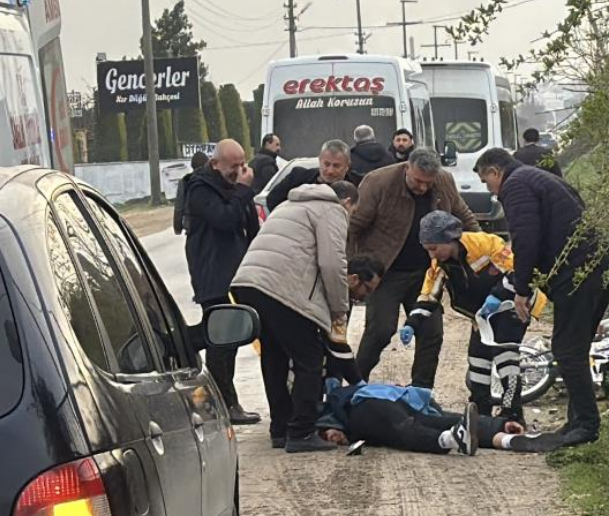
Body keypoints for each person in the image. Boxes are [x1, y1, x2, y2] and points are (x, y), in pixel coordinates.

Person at [474, 148, 609, 448]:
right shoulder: (538, 178)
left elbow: (527, 239)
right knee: (574, 348)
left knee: (566, 349)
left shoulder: (515, 185)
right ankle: (578, 422)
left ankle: (587, 426)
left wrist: (521, 289)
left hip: (580, 274)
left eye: (488, 184)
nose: (492, 192)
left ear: (495, 172)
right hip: (597, 267)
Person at [231, 180, 383, 453]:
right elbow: (332, 262)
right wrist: (339, 309)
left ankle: (280, 429)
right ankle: (301, 432)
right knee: (309, 359)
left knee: (275, 356)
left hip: (247, 282)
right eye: (353, 212)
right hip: (280, 287)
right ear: (347, 203)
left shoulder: (289, 204)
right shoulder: (332, 210)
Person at [399, 211, 547, 423]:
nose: (432, 255)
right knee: (478, 358)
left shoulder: (486, 243)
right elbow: (428, 296)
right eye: (427, 250)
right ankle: (480, 410)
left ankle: (512, 412)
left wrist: (497, 295)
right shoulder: (439, 265)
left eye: (434, 248)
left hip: (514, 304)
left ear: (450, 239)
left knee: (505, 356)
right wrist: (412, 323)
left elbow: (519, 270)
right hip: (482, 315)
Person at [349, 149, 480, 388]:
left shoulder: (444, 181)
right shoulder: (378, 182)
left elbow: (463, 215)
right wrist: (352, 266)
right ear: (406, 167)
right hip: (385, 272)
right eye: (417, 181)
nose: (422, 188)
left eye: (427, 183)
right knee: (380, 330)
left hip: (427, 272)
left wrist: (481, 249)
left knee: (431, 333)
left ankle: (421, 391)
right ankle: (355, 382)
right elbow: (353, 226)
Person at [184, 139, 261, 425]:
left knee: (227, 338)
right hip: (213, 275)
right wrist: (242, 190)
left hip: (235, 274)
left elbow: (248, 227)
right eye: (233, 166)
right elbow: (225, 219)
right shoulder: (200, 188)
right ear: (216, 164)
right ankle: (224, 404)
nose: (239, 171)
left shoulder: (234, 189)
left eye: (242, 165)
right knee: (222, 341)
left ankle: (183, 344)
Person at [315, 379, 566, 454]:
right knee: (427, 423)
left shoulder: (341, 391)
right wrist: (498, 423)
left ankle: (453, 440)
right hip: (387, 406)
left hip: (369, 405)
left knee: (408, 428)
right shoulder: (330, 392)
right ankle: (505, 439)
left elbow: (323, 410)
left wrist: (327, 430)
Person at [266, 140, 362, 211]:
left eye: (336, 166)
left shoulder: (359, 185)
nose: (330, 171)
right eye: (326, 164)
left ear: (347, 166)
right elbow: (272, 200)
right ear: (320, 160)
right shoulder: (297, 178)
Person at [172, 151, 210, 235]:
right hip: (209, 227)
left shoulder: (185, 181)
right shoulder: (211, 179)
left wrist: (177, 228)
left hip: (191, 227)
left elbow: (179, 207)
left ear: (192, 165)